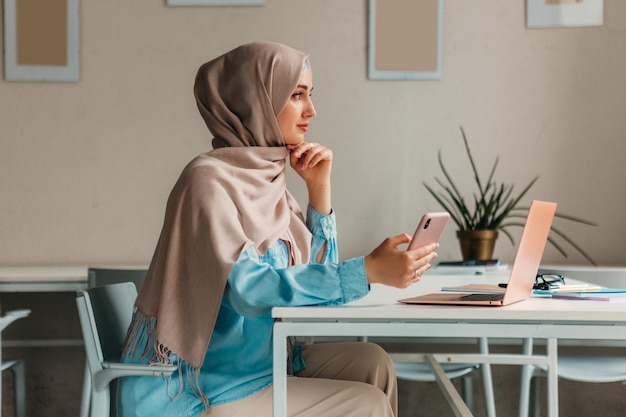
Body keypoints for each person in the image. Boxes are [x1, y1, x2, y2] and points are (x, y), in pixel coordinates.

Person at [119, 41, 438, 417]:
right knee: (366, 402)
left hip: (258, 365)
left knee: (373, 363)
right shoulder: (206, 182)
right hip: (202, 386)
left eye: (310, 95)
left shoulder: (270, 182)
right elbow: (249, 291)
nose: (312, 110)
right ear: (256, 103)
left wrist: (319, 190)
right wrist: (366, 271)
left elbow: (317, 287)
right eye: (297, 95)